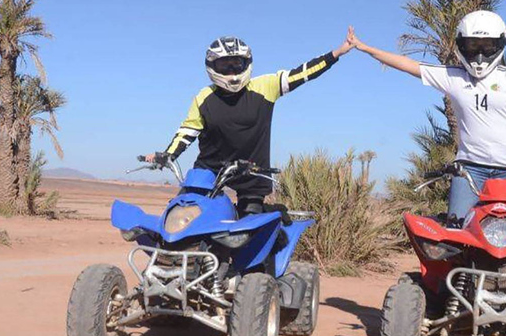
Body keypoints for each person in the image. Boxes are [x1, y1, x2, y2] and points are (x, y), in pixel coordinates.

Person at [347, 11, 506, 231]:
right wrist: (365, 48)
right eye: (473, 46)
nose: (480, 56)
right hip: (469, 170)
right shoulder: (452, 76)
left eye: (487, 47)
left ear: (499, 45)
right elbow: (409, 65)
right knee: (457, 231)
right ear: (461, 45)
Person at [146, 31, 354, 216]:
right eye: (224, 65)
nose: (232, 71)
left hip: (252, 172)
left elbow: (302, 73)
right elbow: (187, 132)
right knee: (184, 213)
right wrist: (167, 155)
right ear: (211, 66)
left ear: (247, 63)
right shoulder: (204, 97)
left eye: (237, 64)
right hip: (209, 170)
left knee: (250, 233)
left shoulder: (266, 86)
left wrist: (336, 54)